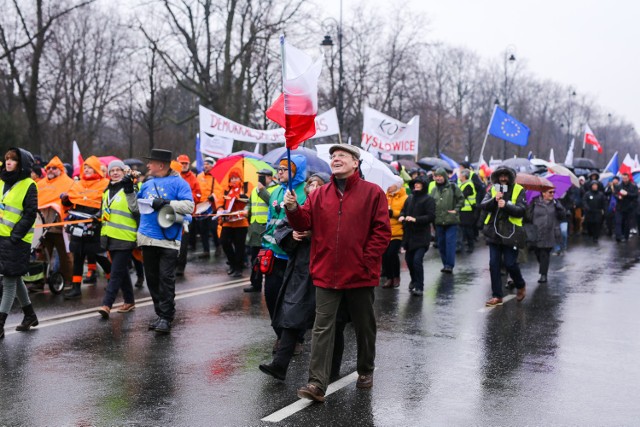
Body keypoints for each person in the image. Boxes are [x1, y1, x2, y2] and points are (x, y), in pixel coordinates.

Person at [284, 144, 391, 403]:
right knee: (322, 329)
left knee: (364, 326)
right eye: (333, 157)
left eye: (342, 155)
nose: (335, 159)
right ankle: (317, 383)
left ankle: (365, 370)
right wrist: (293, 209)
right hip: (326, 274)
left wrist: (366, 261)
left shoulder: (373, 193)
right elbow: (304, 223)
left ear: (356, 162)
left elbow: (382, 232)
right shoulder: (319, 194)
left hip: (360, 275)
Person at [258, 173, 329, 380]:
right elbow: (283, 228)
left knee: (326, 322)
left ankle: (327, 371)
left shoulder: (332, 209)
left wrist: (312, 234)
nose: (313, 187)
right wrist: (293, 235)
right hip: (300, 270)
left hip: (324, 271)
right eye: (311, 184)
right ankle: (280, 365)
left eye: (318, 184)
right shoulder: (301, 206)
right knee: (292, 315)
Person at [138, 149, 194, 334]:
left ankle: (167, 318)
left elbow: (189, 206)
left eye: (150, 162)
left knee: (166, 279)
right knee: (152, 279)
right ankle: (160, 314)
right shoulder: (147, 184)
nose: (147, 165)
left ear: (161, 165)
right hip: (148, 237)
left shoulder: (180, 183)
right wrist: (130, 190)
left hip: (168, 239)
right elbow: (135, 207)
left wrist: (167, 202)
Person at [262, 155, 308, 348]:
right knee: (271, 296)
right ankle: (280, 334)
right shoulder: (275, 193)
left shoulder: (305, 192)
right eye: (278, 169)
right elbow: (269, 222)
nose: (279, 172)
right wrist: (264, 247)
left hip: (294, 255)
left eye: (284, 169)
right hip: (274, 253)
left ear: (296, 172)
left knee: (294, 300)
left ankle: (294, 339)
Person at [0, 148, 40, 339]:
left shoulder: (29, 184)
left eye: (13, 160)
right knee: (15, 277)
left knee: (8, 281)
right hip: (2, 238)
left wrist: (15, 236)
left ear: (21, 163)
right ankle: (30, 315)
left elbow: (30, 213)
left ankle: (0, 324)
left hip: (17, 240)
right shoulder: (1, 182)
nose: (8, 162)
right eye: (7, 159)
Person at [61, 156, 111, 299]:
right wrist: (65, 200)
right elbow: (69, 204)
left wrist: (98, 215)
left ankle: (112, 279)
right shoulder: (77, 184)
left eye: (90, 168)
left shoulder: (105, 183)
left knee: (98, 254)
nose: (87, 170)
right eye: (86, 167)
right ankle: (76, 287)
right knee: (78, 254)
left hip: (95, 224)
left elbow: (107, 204)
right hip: (78, 224)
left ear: (96, 169)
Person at [97, 160, 139, 318]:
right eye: (112, 170)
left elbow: (136, 209)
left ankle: (106, 304)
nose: (115, 172)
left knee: (115, 273)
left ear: (124, 172)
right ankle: (129, 301)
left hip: (126, 238)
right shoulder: (106, 192)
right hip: (110, 237)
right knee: (121, 271)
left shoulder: (130, 188)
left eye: (118, 170)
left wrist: (132, 185)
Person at [480, 166, 527, 307]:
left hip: (511, 233)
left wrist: (506, 205)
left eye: (506, 175)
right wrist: (494, 201)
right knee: (494, 264)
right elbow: (483, 205)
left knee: (510, 263)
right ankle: (497, 296)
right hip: (494, 232)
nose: (503, 178)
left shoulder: (519, 190)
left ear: (511, 177)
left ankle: (520, 284)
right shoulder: (493, 189)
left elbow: (522, 210)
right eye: (500, 175)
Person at [33, 156, 74, 292]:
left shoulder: (68, 183)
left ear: (60, 170)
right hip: (43, 226)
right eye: (49, 168)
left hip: (59, 226)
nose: (50, 170)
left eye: (54, 168)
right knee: (42, 255)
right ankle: (38, 281)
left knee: (65, 255)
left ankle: (68, 280)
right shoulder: (41, 184)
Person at [399, 175, 435, 296]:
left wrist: (415, 219)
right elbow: (403, 210)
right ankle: (414, 280)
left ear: (424, 185)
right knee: (409, 260)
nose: (416, 185)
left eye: (419, 183)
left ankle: (419, 286)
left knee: (417, 261)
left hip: (422, 237)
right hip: (409, 236)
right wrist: (402, 215)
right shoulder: (410, 198)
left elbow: (431, 216)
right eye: (415, 183)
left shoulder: (428, 199)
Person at [245, 168, 277, 292]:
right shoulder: (254, 189)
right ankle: (255, 283)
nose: (260, 179)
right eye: (259, 176)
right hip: (255, 228)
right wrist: (245, 210)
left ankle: (269, 286)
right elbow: (250, 203)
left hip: (267, 228)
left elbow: (272, 203)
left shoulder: (275, 189)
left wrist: (262, 190)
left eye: (262, 177)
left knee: (267, 258)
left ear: (270, 178)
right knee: (254, 258)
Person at [526, 188, 566, 283]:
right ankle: (543, 267)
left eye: (553, 192)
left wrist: (559, 207)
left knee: (545, 253)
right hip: (536, 232)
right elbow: (528, 216)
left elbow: (562, 216)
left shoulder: (556, 203)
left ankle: (543, 275)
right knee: (537, 252)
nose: (552, 194)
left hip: (550, 232)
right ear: (543, 193)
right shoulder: (535, 202)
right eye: (550, 192)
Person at [430, 168, 463, 273]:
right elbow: (430, 203)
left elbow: (461, 199)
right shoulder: (434, 190)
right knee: (441, 244)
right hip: (438, 221)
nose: (438, 178)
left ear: (444, 177)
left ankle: (449, 265)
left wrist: (456, 210)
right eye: (437, 176)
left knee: (450, 243)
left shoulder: (453, 187)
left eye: (440, 176)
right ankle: (445, 264)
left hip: (451, 221)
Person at [217, 169, 249, 278]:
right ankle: (233, 263)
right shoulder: (226, 189)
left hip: (241, 222)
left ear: (240, 178)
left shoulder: (245, 188)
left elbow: (249, 200)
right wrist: (220, 208)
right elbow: (220, 201)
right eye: (232, 178)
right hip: (228, 221)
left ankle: (238, 268)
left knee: (239, 246)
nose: (234, 180)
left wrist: (239, 199)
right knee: (224, 241)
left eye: (236, 178)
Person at [176, 154, 202, 276]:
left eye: (185, 163)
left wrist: (186, 196)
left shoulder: (193, 178)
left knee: (184, 241)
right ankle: (173, 263)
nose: (183, 165)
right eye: (181, 163)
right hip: (173, 213)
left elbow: (198, 195)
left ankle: (181, 266)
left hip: (186, 214)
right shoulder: (174, 176)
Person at [381, 176, 408, 289]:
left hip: (398, 231)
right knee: (384, 255)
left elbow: (404, 212)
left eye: (391, 184)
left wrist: (393, 212)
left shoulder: (405, 197)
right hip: (385, 230)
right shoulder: (384, 195)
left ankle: (396, 276)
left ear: (397, 185)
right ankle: (389, 277)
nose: (388, 187)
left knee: (392, 254)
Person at [195, 157, 221, 257]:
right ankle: (206, 250)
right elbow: (197, 189)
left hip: (212, 206)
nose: (205, 166)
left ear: (212, 165)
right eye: (204, 164)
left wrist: (213, 196)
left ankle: (218, 246)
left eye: (208, 164)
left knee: (213, 228)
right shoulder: (199, 176)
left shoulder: (216, 176)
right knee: (202, 230)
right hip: (201, 206)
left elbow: (219, 191)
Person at [614, 173, 638, 242]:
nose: (624, 180)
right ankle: (618, 236)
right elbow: (615, 193)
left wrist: (627, 194)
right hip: (620, 207)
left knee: (627, 223)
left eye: (625, 178)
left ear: (628, 178)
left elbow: (635, 195)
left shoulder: (633, 186)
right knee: (618, 222)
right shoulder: (619, 186)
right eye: (623, 178)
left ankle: (625, 236)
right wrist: (618, 197)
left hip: (629, 207)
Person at [458, 169, 477, 253]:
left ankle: (471, 245)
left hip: (467, 210)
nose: (459, 176)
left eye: (460, 175)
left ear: (464, 176)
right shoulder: (463, 184)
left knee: (468, 229)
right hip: (463, 210)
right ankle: (464, 245)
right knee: (463, 228)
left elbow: (462, 195)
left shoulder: (468, 184)